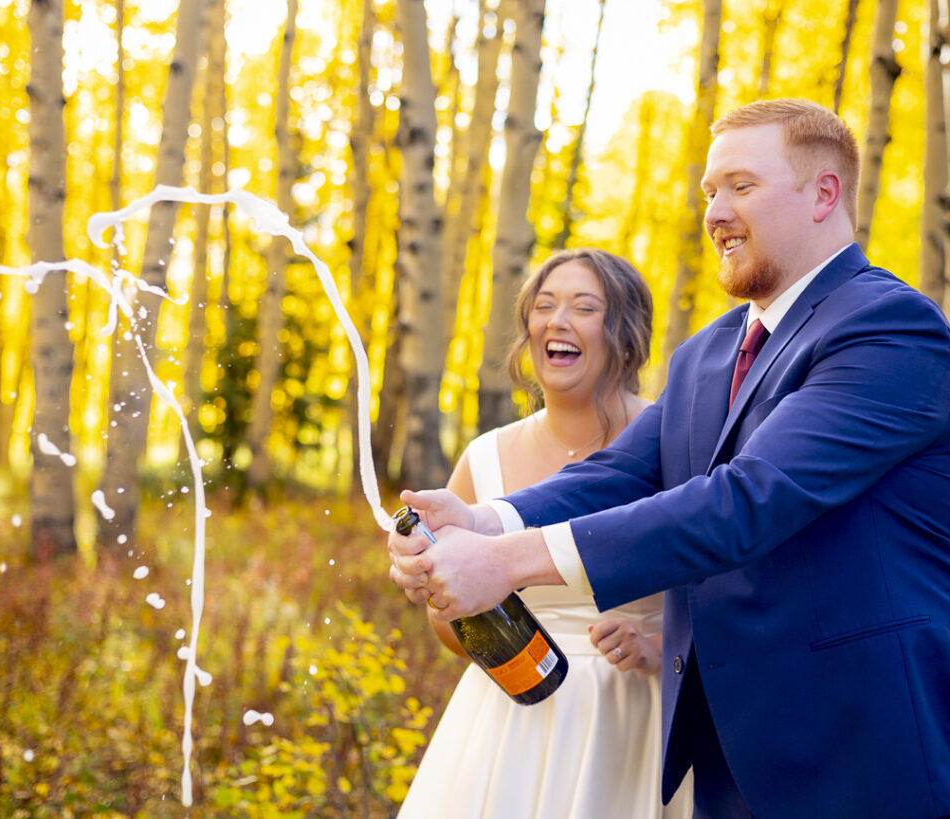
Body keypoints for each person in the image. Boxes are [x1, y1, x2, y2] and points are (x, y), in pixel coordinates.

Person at [388, 98, 950, 819]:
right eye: (709, 191)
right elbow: (619, 475)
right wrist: (485, 516)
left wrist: (506, 562)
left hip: (858, 751)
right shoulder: (707, 353)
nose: (715, 211)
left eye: (741, 186)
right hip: (720, 764)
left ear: (824, 194)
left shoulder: (889, 329)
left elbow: (745, 501)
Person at [397, 249, 691, 818]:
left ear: (624, 333)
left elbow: (732, 591)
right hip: (510, 726)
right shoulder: (484, 460)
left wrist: (658, 649)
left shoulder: (677, 446)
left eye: (584, 307)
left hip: (634, 724)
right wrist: (436, 587)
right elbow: (448, 627)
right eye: (544, 306)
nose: (557, 321)